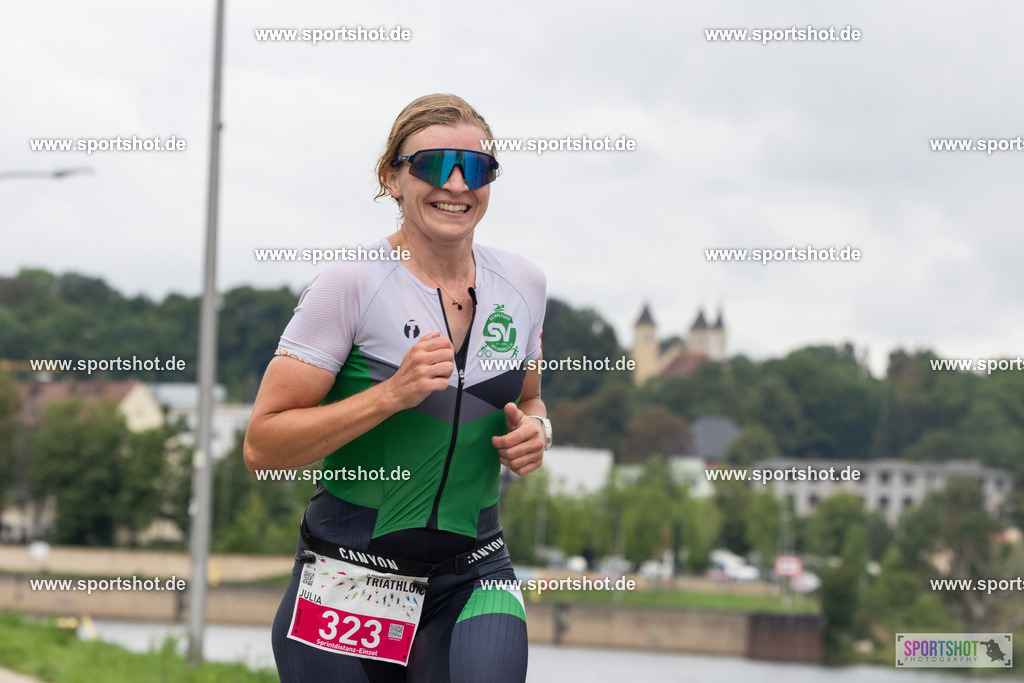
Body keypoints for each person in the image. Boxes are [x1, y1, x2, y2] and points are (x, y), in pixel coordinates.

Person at [243, 93, 551, 683]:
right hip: (351, 574)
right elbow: (264, 446)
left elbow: (530, 398)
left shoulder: (524, 284)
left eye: (477, 167)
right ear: (392, 177)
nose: (457, 185)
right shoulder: (350, 284)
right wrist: (391, 394)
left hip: (474, 569)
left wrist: (537, 430)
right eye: (434, 165)